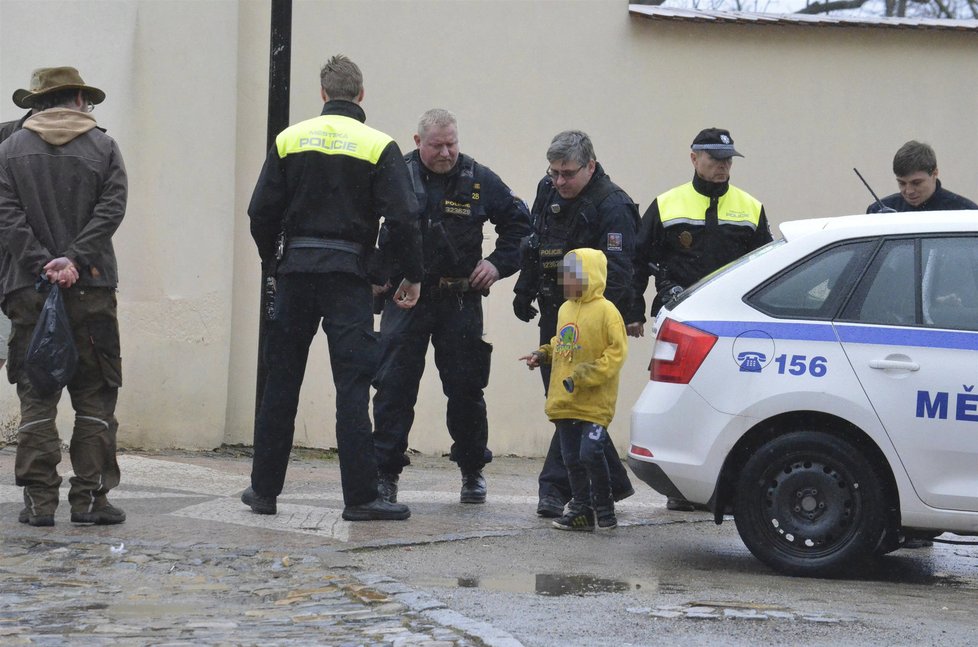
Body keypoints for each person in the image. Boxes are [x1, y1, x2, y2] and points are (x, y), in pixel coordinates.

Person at [244, 55, 424, 522]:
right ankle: (361, 498)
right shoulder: (378, 145)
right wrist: (402, 274)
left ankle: (263, 491)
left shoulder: (290, 139)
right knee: (352, 387)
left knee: (280, 384)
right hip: (348, 279)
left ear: (323, 94)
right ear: (361, 95)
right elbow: (403, 218)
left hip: (296, 275)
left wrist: (276, 261)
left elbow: (260, 212)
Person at [370, 109, 530, 505]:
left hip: (458, 299)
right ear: (417, 141)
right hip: (405, 299)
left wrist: (497, 263)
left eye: (451, 144)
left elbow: (521, 228)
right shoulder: (396, 174)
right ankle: (385, 473)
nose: (446, 152)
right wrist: (377, 273)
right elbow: (360, 224)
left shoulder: (478, 179)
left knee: (466, 388)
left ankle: (472, 470)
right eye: (437, 145)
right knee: (393, 386)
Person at [0, 66, 127, 527]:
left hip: (27, 291)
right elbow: (112, 209)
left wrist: (41, 263)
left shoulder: (9, 149)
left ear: (38, 102)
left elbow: (5, 215)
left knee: (37, 394)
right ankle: (90, 501)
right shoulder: (104, 147)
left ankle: (38, 503)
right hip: (90, 287)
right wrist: (73, 259)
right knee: (95, 395)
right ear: (76, 99)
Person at [626, 127, 771, 510]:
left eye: (727, 160)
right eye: (714, 159)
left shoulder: (750, 207)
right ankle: (679, 487)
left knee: (732, 400)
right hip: (681, 317)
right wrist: (633, 311)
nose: (722, 167)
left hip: (733, 323)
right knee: (680, 401)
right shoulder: (667, 204)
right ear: (694, 158)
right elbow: (638, 261)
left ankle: (726, 481)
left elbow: (768, 268)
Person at [512, 130, 637, 518]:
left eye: (568, 174)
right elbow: (536, 244)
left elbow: (617, 273)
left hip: (592, 320)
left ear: (591, 166)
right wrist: (523, 289)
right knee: (563, 403)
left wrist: (597, 320)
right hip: (557, 313)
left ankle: (554, 488)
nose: (559, 182)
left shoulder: (612, 205)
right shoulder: (547, 189)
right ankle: (609, 486)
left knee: (570, 406)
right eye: (554, 173)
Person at [520, 248, 628, 531]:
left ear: (589, 276)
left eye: (572, 275)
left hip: (594, 403)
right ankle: (581, 509)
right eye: (563, 275)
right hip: (565, 400)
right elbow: (562, 342)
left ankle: (604, 507)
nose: (564, 280)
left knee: (590, 452)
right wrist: (542, 354)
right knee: (571, 459)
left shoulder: (608, 313)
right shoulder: (565, 310)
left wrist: (585, 375)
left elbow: (615, 354)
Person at [866, 140, 977, 213]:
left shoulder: (964, 212)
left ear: (935, 173)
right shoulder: (879, 212)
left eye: (916, 183)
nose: (909, 191)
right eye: (902, 183)